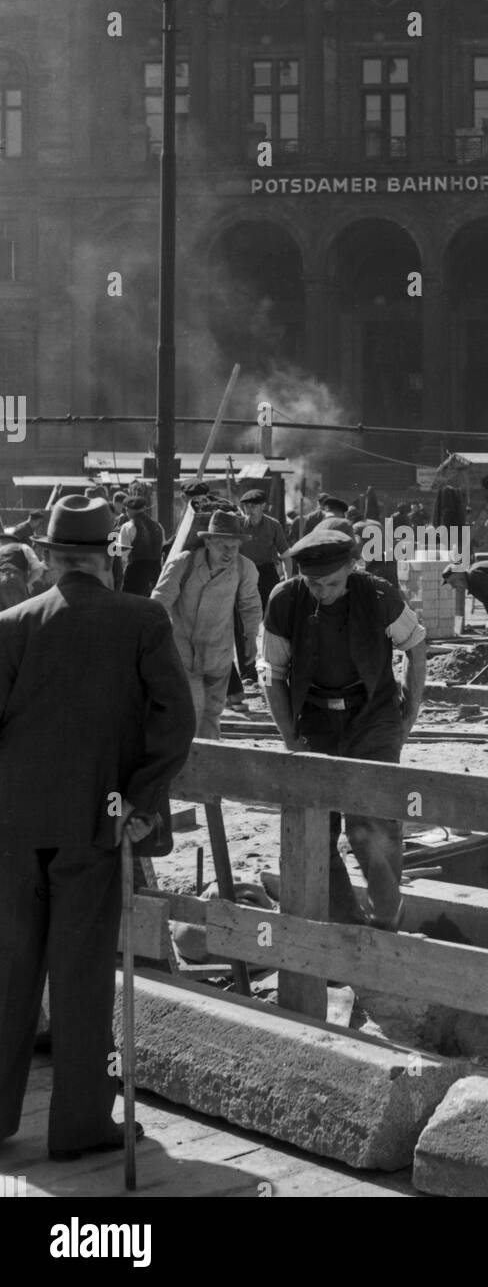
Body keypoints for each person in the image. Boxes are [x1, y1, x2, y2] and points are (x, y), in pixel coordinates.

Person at [0, 495, 195, 1161]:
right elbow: (175, 719)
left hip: (14, 827)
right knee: (80, 977)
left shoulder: (12, 624)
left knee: (7, 973)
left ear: (51, 559)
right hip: (98, 820)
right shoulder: (140, 618)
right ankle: (79, 1126)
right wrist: (139, 801)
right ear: (108, 558)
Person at [260, 527, 427, 931]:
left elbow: (416, 648)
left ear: (352, 568)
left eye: (331, 583)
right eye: (312, 583)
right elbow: (273, 674)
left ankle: (387, 920)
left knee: (372, 823)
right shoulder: (285, 600)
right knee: (317, 825)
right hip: (315, 717)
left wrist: (408, 714)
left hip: (372, 717)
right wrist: (287, 735)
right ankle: (344, 925)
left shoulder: (379, 594)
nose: (321, 592)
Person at [151, 509, 261, 740]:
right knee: (189, 711)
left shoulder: (245, 568)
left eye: (234, 547)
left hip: (218, 655)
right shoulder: (183, 564)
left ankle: (206, 766)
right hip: (182, 653)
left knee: (212, 714)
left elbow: (250, 606)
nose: (229, 553)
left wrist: (251, 638)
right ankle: (185, 766)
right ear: (208, 542)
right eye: (223, 546)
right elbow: (159, 603)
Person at [117, 494, 165, 597]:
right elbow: (162, 548)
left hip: (136, 575)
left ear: (128, 510)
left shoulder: (128, 527)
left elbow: (123, 555)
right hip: (155, 574)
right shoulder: (159, 526)